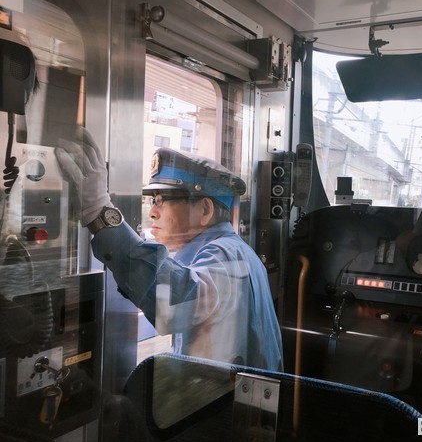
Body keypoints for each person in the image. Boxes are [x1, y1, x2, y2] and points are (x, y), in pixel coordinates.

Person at [55, 129, 283, 371]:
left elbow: (176, 302)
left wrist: (100, 213)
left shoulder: (226, 255)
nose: (152, 212)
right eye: (151, 200)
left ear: (205, 210)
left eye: (162, 199)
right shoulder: (236, 251)